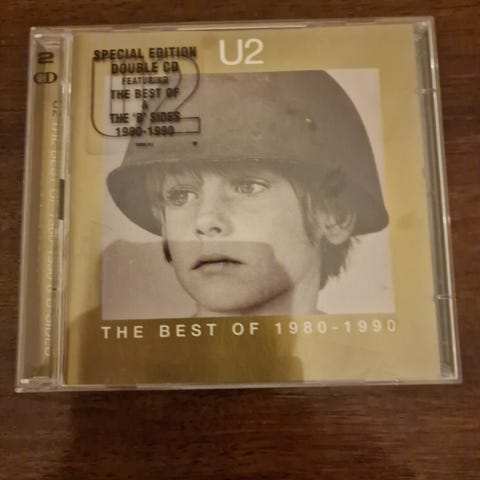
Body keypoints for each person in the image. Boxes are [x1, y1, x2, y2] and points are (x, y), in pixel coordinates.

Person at [107, 70, 388, 317]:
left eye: (247, 187)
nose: (205, 221)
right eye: (181, 196)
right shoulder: (127, 360)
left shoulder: (375, 360)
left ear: (335, 216)